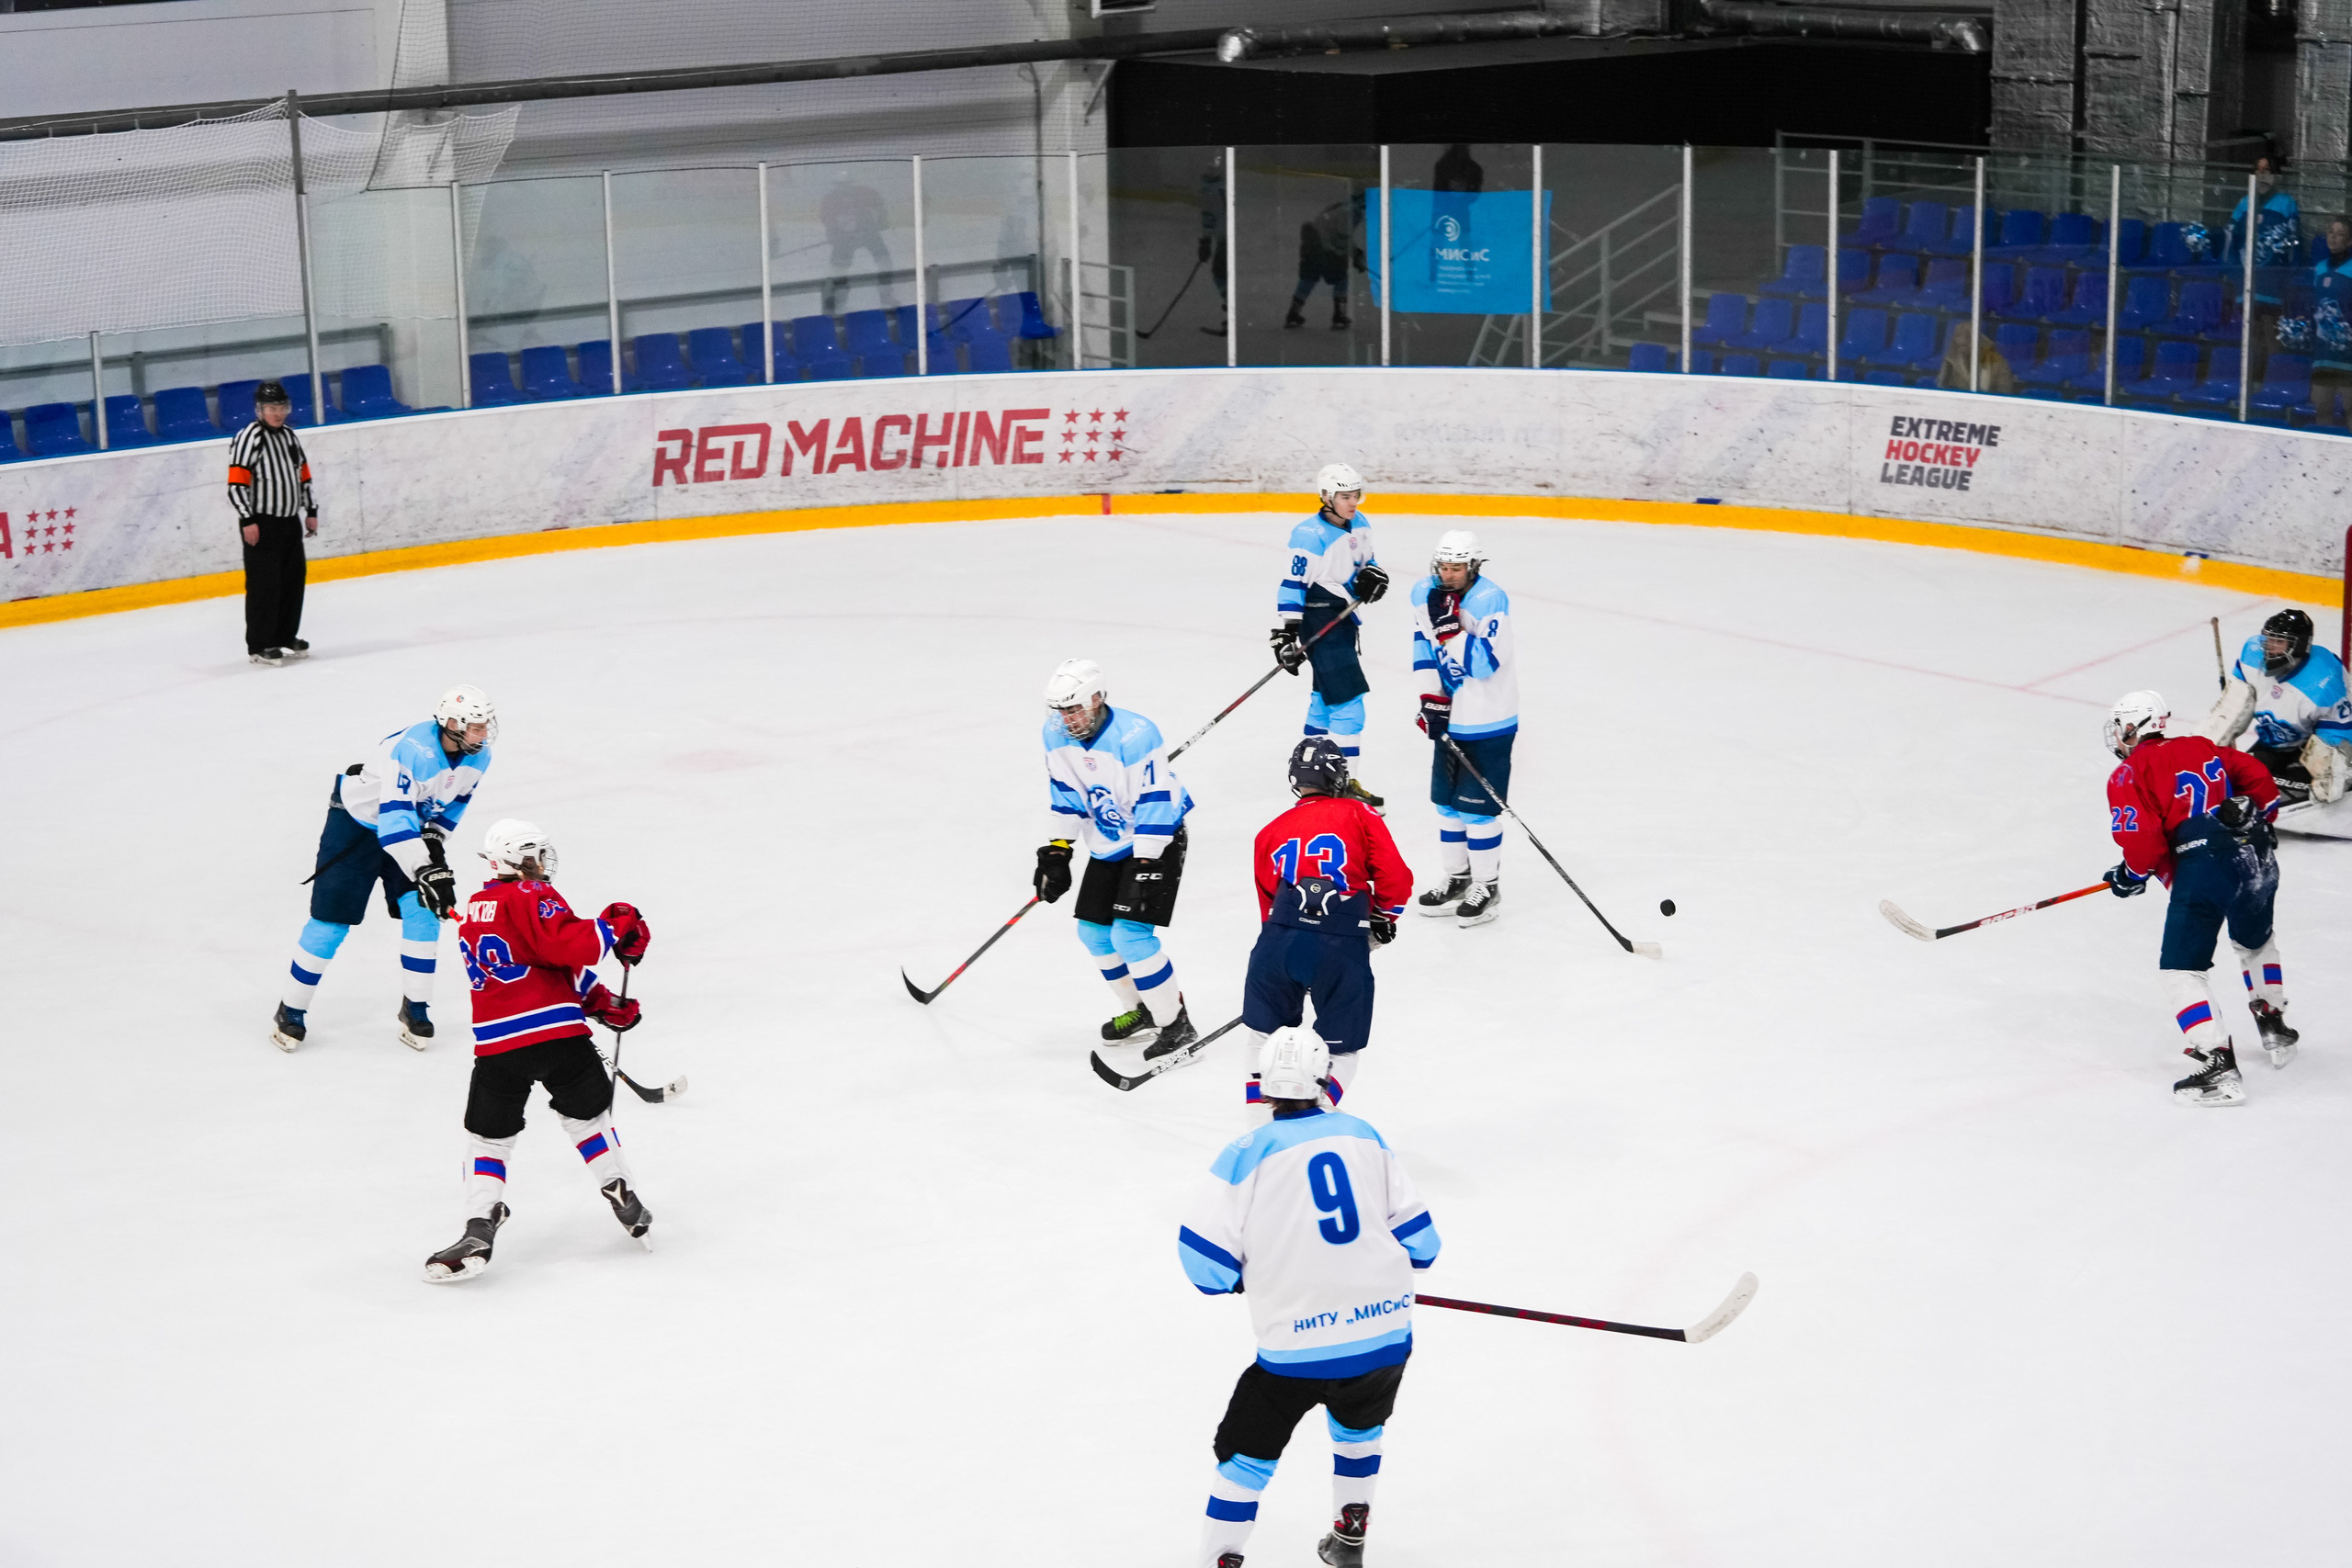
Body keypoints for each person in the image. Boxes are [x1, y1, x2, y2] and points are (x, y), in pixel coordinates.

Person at [1178, 1026, 1441, 1568]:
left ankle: (1220, 1560)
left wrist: (1247, 1275)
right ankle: (1350, 1537)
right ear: (1324, 1080)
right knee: (1360, 1431)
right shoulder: (1364, 1135)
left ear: (1262, 1086)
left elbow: (1205, 1266)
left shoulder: (1246, 1152)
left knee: (1245, 1461)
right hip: (1382, 1337)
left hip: (1294, 1350)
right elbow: (1423, 1246)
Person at [425, 818, 653, 1281]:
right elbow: (570, 946)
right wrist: (617, 924)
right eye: (534, 854)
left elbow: (540, 962)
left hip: (497, 1046)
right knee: (588, 1120)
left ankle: (480, 1222)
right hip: (558, 1036)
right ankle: (617, 1185)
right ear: (516, 858)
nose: (542, 862)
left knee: (489, 1138)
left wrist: (600, 1001)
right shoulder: (531, 894)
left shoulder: (475, 909)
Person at [271, 685, 495, 1054]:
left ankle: (416, 1008)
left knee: (423, 912)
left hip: (408, 827)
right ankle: (291, 1009)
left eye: (486, 725)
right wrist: (426, 869)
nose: (484, 734)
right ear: (452, 724)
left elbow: (454, 804)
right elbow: (393, 824)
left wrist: (434, 844)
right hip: (356, 827)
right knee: (330, 922)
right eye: (476, 726)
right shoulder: (411, 750)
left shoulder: (479, 755)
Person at [2101, 690, 2295, 1106]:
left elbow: (2145, 842)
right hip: (2257, 855)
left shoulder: (2128, 773)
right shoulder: (2201, 746)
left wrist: (2131, 874)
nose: (2117, 736)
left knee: (2181, 969)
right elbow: (2258, 777)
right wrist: (2258, 822)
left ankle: (2217, 1064)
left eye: (2119, 727)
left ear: (2133, 727)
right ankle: (2274, 1024)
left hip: (2204, 866)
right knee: (2256, 943)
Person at [1035, 658, 1198, 1050]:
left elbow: (1155, 801)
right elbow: (1066, 793)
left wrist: (1146, 859)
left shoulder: (1136, 735)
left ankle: (1176, 1026)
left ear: (1096, 698)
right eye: (1060, 711)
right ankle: (1141, 1009)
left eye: (1074, 709)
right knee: (1093, 932)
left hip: (1156, 838)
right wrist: (1058, 850)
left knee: (1130, 935)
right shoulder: (1055, 736)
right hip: (1109, 841)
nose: (1067, 720)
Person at [1242, 738, 1411, 1113]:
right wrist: (1381, 920)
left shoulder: (1269, 831)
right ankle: (1316, 1121)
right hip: (1339, 945)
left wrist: (1293, 955)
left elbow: (1269, 906)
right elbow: (1396, 879)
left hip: (1277, 945)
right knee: (1342, 1047)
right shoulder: (1360, 813)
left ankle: (1259, 1128)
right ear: (1338, 777)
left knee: (1262, 1038)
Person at [1408, 530, 1517, 925]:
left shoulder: (1490, 600)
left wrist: (1450, 629)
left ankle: (1487, 886)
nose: (1448, 574)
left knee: (1477, 812)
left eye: (1456, 568)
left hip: (1489, 719)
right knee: (1446, 805)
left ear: (1473, 567)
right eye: (1443, 567)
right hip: (1451, 716)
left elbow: (1483, 664)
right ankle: (1458, 878)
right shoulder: (1425, 594)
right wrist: (1430, 698)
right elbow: (1423, 648)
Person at [1272, 464, 1389, 805]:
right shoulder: (1308, 536)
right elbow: (1292, 584)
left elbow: (1366, 563)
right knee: (1349, 703)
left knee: (1323, 699)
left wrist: (1372, 576)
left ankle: (1313, 779)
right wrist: (1287, 632)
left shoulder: (1361, 523)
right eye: (1344, 497)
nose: (1352, 503)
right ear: (1326, 496)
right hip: (1319, 618)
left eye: (1356, 495)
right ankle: (1343, 787)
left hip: (1343, 618)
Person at [2206, 608, 2352, 806]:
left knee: (2314, 792)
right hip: (2274, 743)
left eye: (2278, 642)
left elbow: (2338, 735)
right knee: (2234, 778)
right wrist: (2210, 748)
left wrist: (2331, 772)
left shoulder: (2324, 681)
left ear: (2299, 646)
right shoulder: (2252, 656)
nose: (2269, 647)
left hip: (2311, 747)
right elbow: (2232, 707)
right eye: (2268, 639)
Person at [228, 379, 319, 666]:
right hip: (262, 523)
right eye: (271, 408)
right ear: (260, 410)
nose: (278, 413)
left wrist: (311, 510)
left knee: (292, 582)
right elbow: (236, 483)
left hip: (290, 521)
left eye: (281, 407)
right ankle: (260, 644)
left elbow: (303, 475)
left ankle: (284, 636)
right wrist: (247, 519)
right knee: (264, 585)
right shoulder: (249, 437)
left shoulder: (290, 437)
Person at [819, 170, 896, 314]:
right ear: (835, 185)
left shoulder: (864, 193)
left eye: (846, 184)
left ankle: (886, 292)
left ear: (851, 184)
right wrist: (834, 235)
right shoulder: (829, 200)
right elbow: (827, 219)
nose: (843, 188)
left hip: (868, 233)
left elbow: (879, 204)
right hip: (844, 238)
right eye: (839, 185)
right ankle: (839, 299)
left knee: (884, 260)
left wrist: (881, 219)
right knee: (838, 268)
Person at [1286, 193, 1364, 331]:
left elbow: (1338, 235)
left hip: (1311, 246)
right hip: (1324, 250)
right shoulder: (1352, 213)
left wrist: (1355, 253)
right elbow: (1341, 238)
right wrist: (1354, 255)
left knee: (1308, 279)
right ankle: (1339, 316)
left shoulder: (1339, 208)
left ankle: (1293, 314)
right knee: (1341, 278)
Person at [1936, 320, 2017, 395]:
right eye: (1960, 345)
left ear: (1978, 340)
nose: (1962, 347)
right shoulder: (1950, 363)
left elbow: (2004, 393)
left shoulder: (1998, 363)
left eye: (1967, 343)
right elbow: (1942, 391)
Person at [1200, 152, 1229, 337]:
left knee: (1219, 276)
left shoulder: (1208, 191)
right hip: (1230, 237)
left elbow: (1208, 219)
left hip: (1225, 239)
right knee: (1224, 275)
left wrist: (1205, 242)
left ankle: (1230, 314)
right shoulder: (1223, 187)